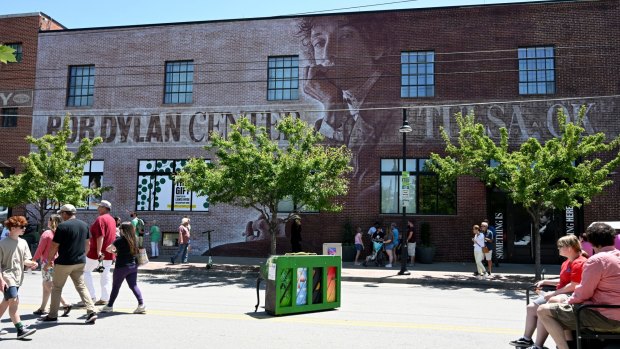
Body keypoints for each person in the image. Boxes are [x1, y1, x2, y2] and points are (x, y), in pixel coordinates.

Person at [538, 223, 620, 349]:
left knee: (543, 311)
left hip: (606, 317)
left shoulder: (597, 260)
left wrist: (567, 300)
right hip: (613, 312)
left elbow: (583, 293)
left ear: (591, 241)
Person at [508, 235, 587, 349]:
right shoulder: (566, 262)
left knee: (544, 310)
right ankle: (526, 339)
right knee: (531, 307)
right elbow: (564, 280)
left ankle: (538, 345)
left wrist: (554, 293)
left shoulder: (579, 262)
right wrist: (546, 281)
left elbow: (574, 285)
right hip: (561, 292)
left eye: (560, 246)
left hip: (569, 294)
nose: (558, 249)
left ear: (569, 248)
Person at [38, 204, 98, 324]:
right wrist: (83, 256)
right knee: (81, 286)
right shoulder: (84, 225)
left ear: (65, 213)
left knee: (56, 288)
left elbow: (55, 246)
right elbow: (88, 244)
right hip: (80, 262)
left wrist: (49, 261)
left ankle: (53, 315)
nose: (61, 215)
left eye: (61, 213)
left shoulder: (62, 227)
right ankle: (91, 311)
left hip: (64, 262)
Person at [0, 216, 38, 339]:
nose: (24, 229)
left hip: (18, 277)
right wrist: (1, 280)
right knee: (14, 301)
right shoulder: (2, 243)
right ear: (13, 228)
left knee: (6, 302)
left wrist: (31, 263)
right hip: (7, 277)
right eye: (22, 227)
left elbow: (25, 260)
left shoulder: (23, 242)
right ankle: (20, 329)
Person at [100, 222, 146, 314]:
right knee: (133, 285)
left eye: (120, 229)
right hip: (133, 266)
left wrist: (114, 252)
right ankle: (141, 305)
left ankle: (109, 306)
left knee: (116, 287)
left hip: (121, 266)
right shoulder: (136, 239)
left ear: (123, 230)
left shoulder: (119, 240)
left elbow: (108, 249)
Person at [31, 214, 71, 316]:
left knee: (48, 284)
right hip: (58, 262)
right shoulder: (61, 233)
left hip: (47, 262)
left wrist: (34, 259)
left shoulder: (47, 233)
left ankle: (65, 304)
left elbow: (41, 248)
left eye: (49, 220)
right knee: (46, 284)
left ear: (51, 221)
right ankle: (42, 308)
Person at [83, 200, 116, 307]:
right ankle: (105, 298)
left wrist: (98, 251)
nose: (97, 209)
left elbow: (100, 236)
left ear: (104, 208)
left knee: (85, 271)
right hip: (109, 252)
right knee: (105, 275)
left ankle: (91, 296)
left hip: (96, 252)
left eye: (99, 207)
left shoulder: (100, 219)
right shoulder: (112, 219)